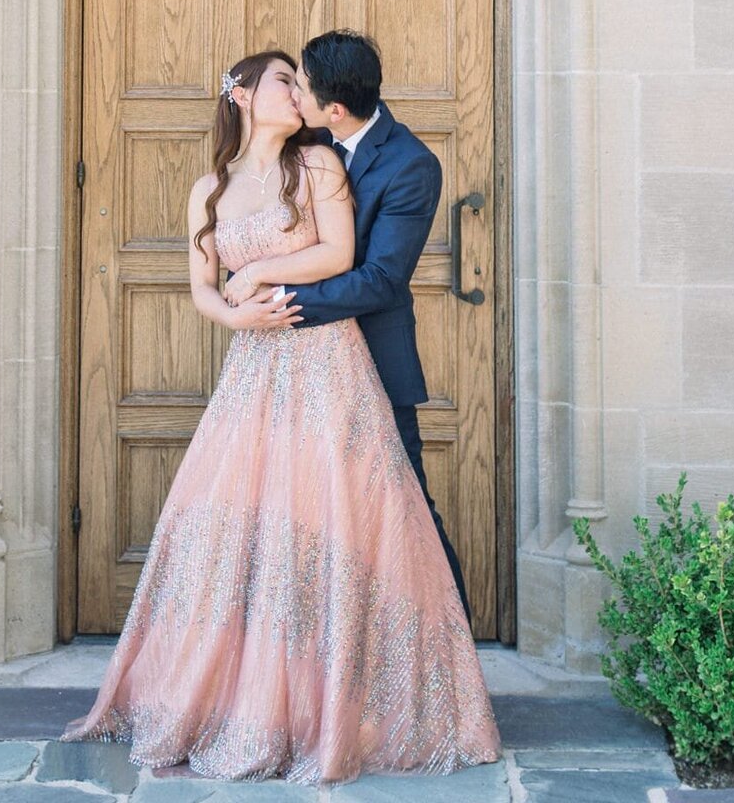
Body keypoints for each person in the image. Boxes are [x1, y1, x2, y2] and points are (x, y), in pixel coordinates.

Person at [60, 47, 501, 784]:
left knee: (343, 518)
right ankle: (251, 698)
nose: (298, 91)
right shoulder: (208, 188)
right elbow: (201, 287)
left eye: (302, 82)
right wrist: (231, 319)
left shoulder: (319, 166)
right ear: (240, 94)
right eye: (283, 81)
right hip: (252, 371)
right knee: (246, 523)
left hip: (329, 365)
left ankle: (359, 702)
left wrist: (258, 272)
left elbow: (341, 253)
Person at [250, 27, 473, 621]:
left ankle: (452, 658)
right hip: (300, 371)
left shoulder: (410, 166)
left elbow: (380, 280)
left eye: (300, 86)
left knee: (406, 510)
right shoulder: (306, 141)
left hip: (373, 360)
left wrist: (280, 297)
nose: (293, 94)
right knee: (309, 514)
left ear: (336, 108)